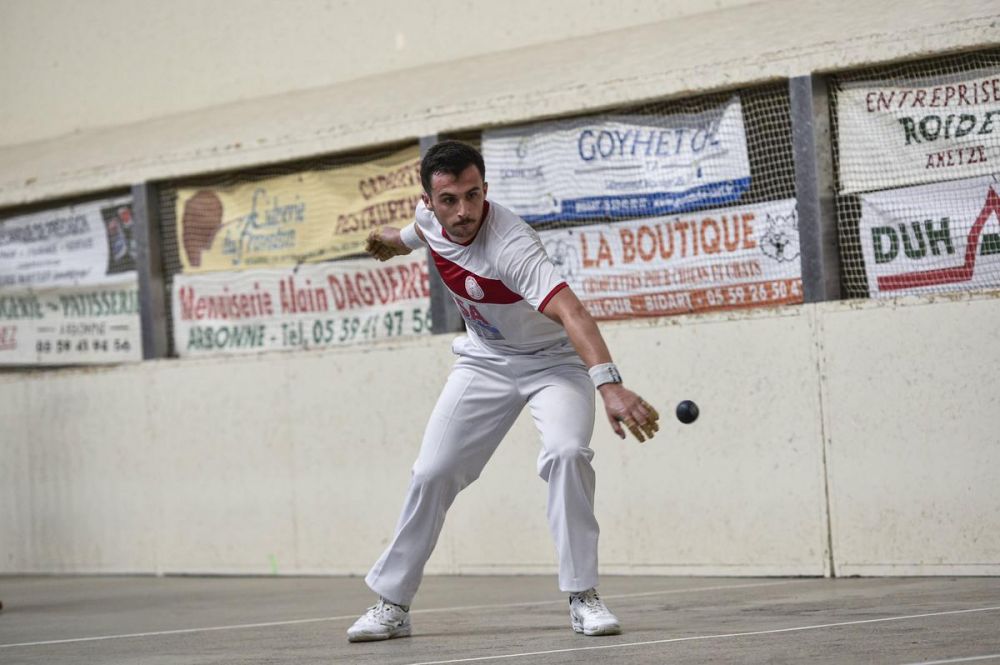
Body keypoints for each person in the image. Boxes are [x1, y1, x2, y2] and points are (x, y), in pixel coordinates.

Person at [348, 140, 660, 642]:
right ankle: (393, 604)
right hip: (485, 361)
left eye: (474, 195)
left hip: (552, 364)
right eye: (449, 200)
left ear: (485, 189)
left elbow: (573, 312)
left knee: (567, 453)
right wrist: (391, 239)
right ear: (429, 200)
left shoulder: (511, 245)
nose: (464, 211)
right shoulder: (430, 219)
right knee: (432, 471)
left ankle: (583, 597)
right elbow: (417, 233)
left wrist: (610, 385)